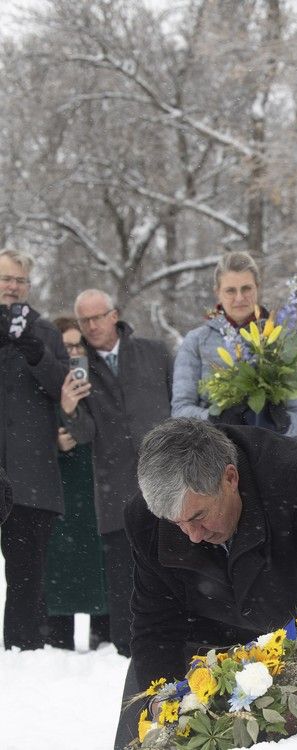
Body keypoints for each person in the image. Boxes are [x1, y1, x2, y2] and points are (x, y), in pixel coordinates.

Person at [115, 418, 297, 748]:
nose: (191, 535)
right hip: (215, 594)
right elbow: (156, 625)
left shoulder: (295, 475)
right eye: (176, 523)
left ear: (230, 478)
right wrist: (158, 698)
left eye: (197, 517)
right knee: (161, 709)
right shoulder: (146, 518)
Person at [58, 290, 174, 656]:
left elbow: (179, 405)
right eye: (84, 321)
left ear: (115, 315)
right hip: (113, 482)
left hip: (165, 475)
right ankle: (128, 647)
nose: (92, 326)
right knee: (123, 572)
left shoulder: (154, 352)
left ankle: (180, 634)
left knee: (174, 560)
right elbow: (85, 434)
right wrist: (70, 408)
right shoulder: (78, 366)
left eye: (98, 317)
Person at [0, 248, 68, 650]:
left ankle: (23, 648)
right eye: (6, 279)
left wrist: (39, 356)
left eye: (19, 281)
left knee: (26, 572)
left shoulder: (44, 332)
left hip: (29, 474)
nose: (12, 287)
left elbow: (67, 389)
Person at [171, 251, 297, 435]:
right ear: (217, 292)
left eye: (246, 288)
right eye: (230, 290)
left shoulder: (281, 339)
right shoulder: (197, 341)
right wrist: (213, 419)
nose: (240, 298)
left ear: (257, 287)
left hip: (269, 452)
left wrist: (285, 423)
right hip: (216, 454)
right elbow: (179, 412)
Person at [44, 316, 109, 651]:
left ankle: (105, 640)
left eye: (77, 345)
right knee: (62, 566)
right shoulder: (43, 379)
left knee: (101, 563)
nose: (72, 353)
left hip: (97, 484)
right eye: (65, 346)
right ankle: (58, 644)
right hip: (60, 487)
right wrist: (52, 438)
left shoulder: (100, 380)